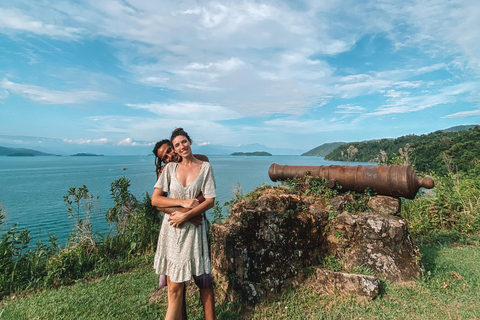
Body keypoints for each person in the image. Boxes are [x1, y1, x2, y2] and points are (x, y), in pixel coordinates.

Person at [152, 128, 216, 320]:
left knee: (204, 280)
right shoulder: (168, 170)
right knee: (175, 287)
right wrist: (182, 208)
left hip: (195, 226)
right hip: (174, 227)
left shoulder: (203, 163)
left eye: (174, 147)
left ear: (189, 141)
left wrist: (188, 214)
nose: (173, 153)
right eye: (167, 154)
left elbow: (208, 198)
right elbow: (159, 203)